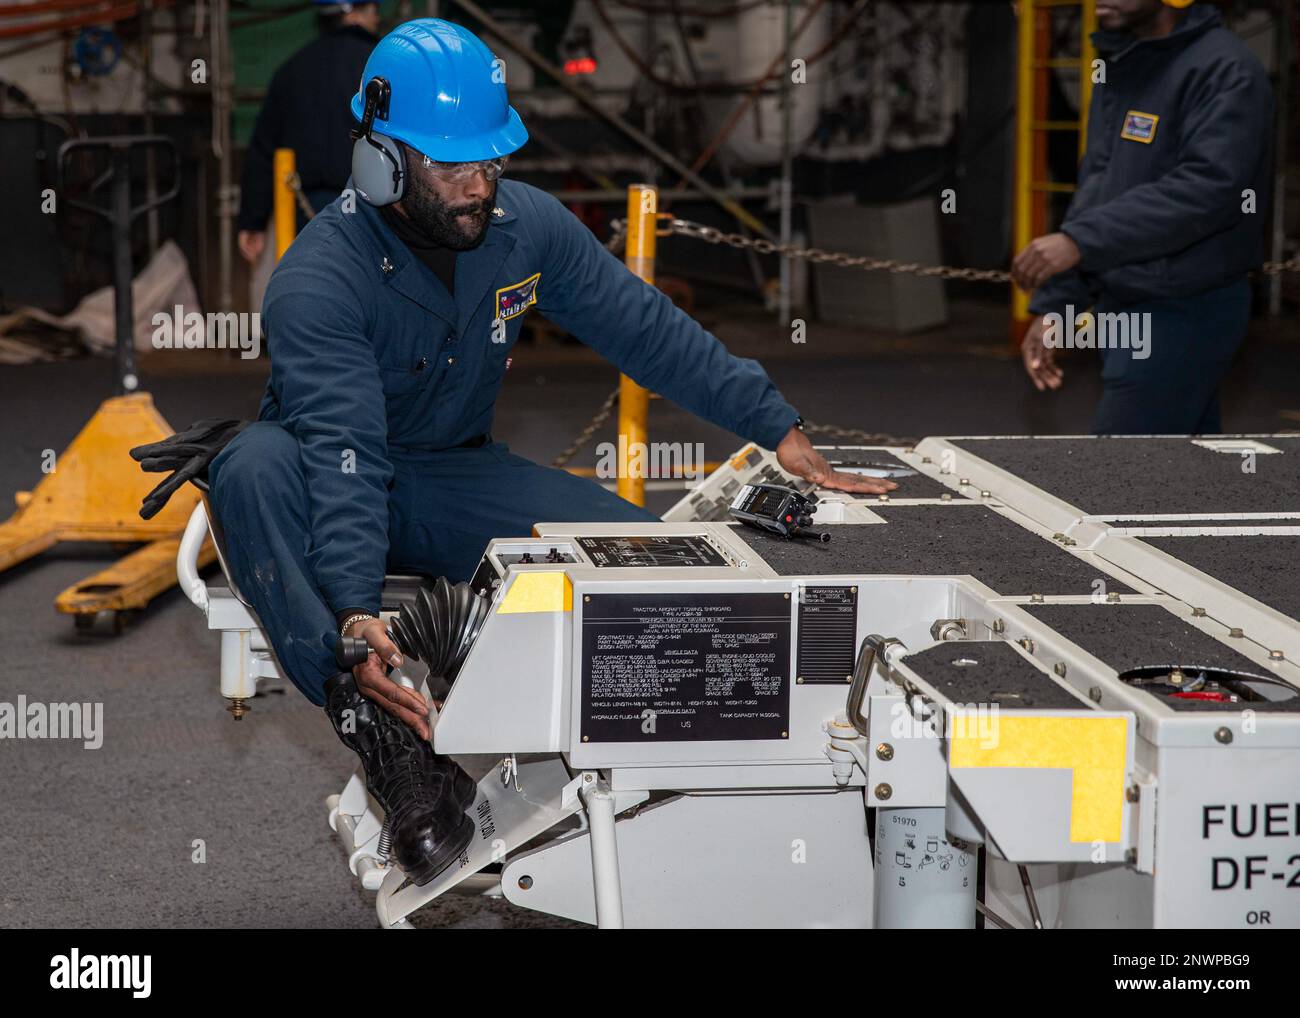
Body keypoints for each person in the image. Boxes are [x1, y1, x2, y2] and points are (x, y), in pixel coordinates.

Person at [209, 18, 896, 885]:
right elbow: (345, 449)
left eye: (491, 162)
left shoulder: (521, 228)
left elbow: (645, 330)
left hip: (451, 473)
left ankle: (664, 793)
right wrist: (354, 609)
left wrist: (779, 428)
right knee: (248, 466)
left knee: (653, 562)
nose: (478, 187)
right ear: (378, 158)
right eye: (451, 166)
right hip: (323, 476)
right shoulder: (318, 278)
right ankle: (381, 734)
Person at [1013, 0, 1272, 434]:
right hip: (1127, 304)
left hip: (1186, 310)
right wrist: (1058, 304)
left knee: (1116, 479)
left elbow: (1207, 191)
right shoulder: (1124, 65)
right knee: (1178, 478)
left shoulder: (1226, 71)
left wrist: (1079, 242)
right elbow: (1099, 186)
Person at [236, 1, 381, 265]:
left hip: (307, 213)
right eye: (373, 10)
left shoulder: (292, 69)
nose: (377, 18)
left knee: (315, 288)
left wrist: (252, 220)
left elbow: (264, 149)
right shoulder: (381, 71)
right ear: (357, 12)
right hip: (373, 211)